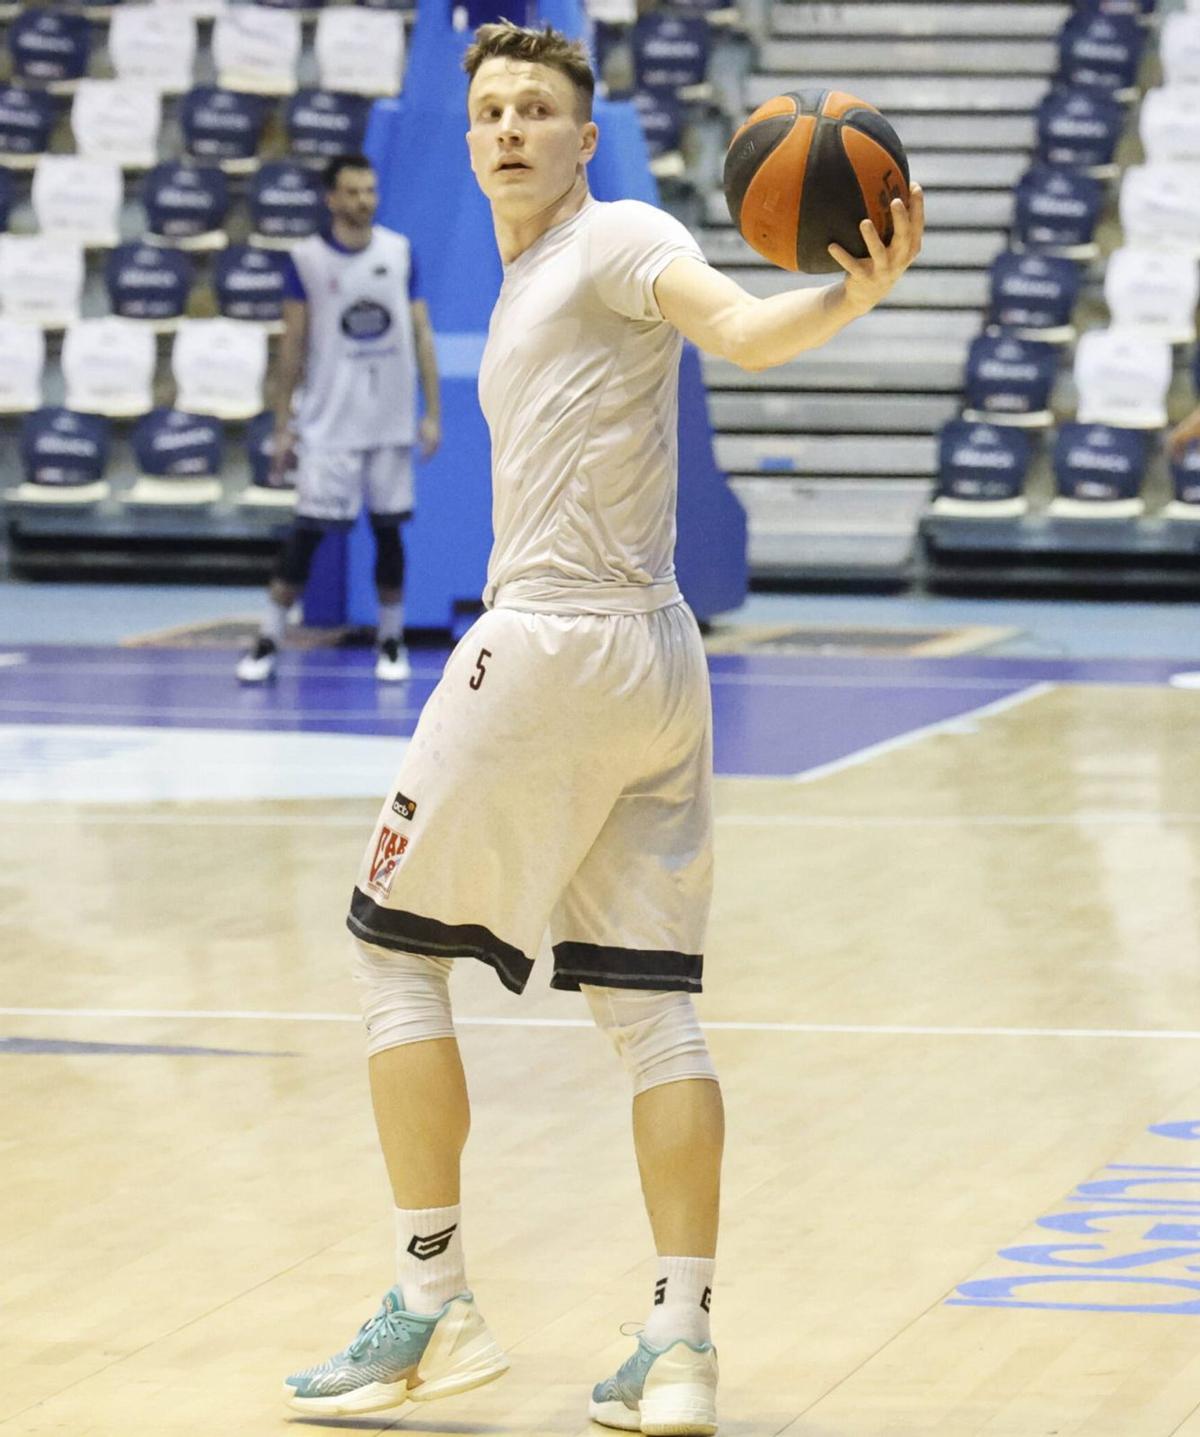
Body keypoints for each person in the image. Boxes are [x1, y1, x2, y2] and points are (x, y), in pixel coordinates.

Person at [282, 23, 923, 1434]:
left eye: (538, 110)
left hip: (558, 640)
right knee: (651, 1010)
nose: (510, 127)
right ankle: (680, 1343)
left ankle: (430, 1301)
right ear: (468, 142)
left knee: (390, 956)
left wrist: (841, 297)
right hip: (655, 661)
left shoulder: (621, 234)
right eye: (491, 110)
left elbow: (739, 329)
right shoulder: (524, 276)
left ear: (584, 138)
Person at [236, 153, 441, 686]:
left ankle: (390, 640)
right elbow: (293, 347)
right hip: (329, 425)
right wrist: (284, 425)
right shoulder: (307, 260)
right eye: (352, 192)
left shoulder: (398, 253)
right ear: (331, 198)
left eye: (369, 190)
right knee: (305, 537)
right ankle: (267, 639)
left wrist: (432, 413)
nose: (363, 200)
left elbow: (421, 334)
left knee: (390, 535)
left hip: (390, 422)